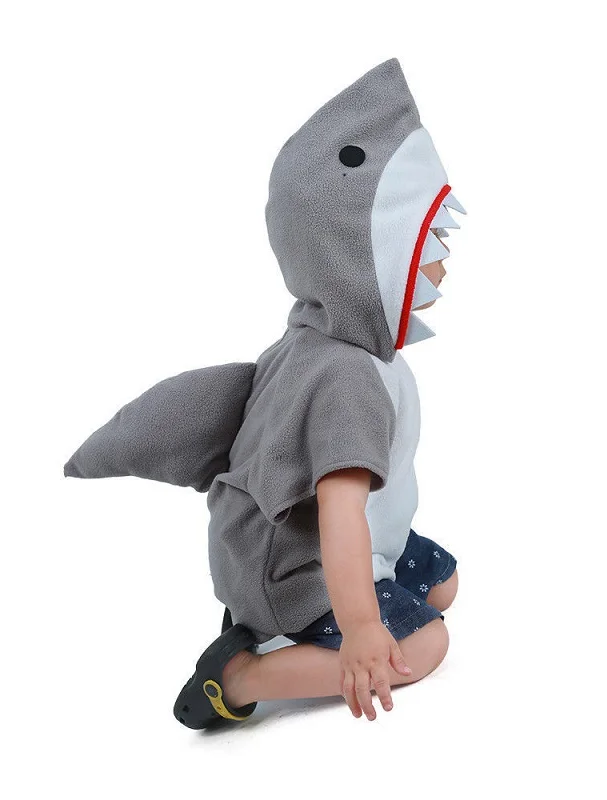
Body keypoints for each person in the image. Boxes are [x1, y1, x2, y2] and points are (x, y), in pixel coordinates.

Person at [64, 57, 465, 728]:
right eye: (428, 246)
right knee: (425, 644)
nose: (443, 264)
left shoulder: (321, 340)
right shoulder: (347, 378)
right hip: (297, 571)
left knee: (444, 585)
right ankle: (241, 675)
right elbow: (339, 510)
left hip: (308, 541)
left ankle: (339, 604)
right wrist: (362, 627)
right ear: (369, 260)